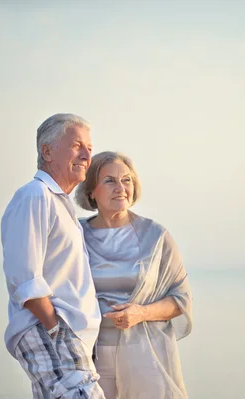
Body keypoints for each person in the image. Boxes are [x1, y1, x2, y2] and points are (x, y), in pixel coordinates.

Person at [1, 113, 105, 398]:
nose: (86, 155)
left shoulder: (62, 205)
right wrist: (56, 328)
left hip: (67, 336)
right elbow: (25, 279)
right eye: (76, 146)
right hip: (53, 331)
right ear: (47, 151)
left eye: (89, 148)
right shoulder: (36, 195)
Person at [75, 151, 193, 399]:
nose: (120, 188)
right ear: (91, 191)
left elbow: (181, 300)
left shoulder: (155, 236)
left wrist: (141, 313)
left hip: (145, 356)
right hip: (87, 359)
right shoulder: (74, 235)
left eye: (126, 180)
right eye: (109, 180)